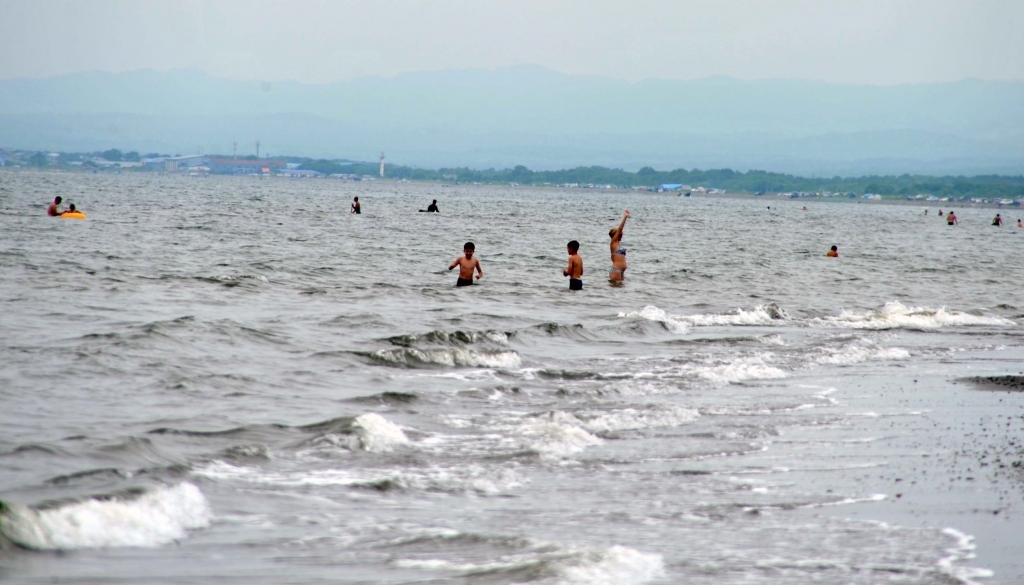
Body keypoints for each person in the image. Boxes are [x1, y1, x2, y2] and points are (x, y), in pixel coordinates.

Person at [608, 210, 629, 281]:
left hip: (621, 271)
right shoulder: (613, 242)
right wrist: (625, 217)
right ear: (616, 235)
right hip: (616, 270)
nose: (622, 236)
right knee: (615, 290)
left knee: (621, 291)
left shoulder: (618, 244)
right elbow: (620, 229)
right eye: (620, 235)